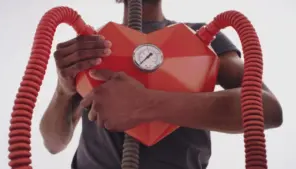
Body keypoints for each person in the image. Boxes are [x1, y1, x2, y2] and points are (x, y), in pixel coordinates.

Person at [39, 0, 283, 169]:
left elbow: (267, 108)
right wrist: (63, 89)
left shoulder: (201, 38)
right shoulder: (90, 46)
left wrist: (148, 104)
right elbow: (53, 143)